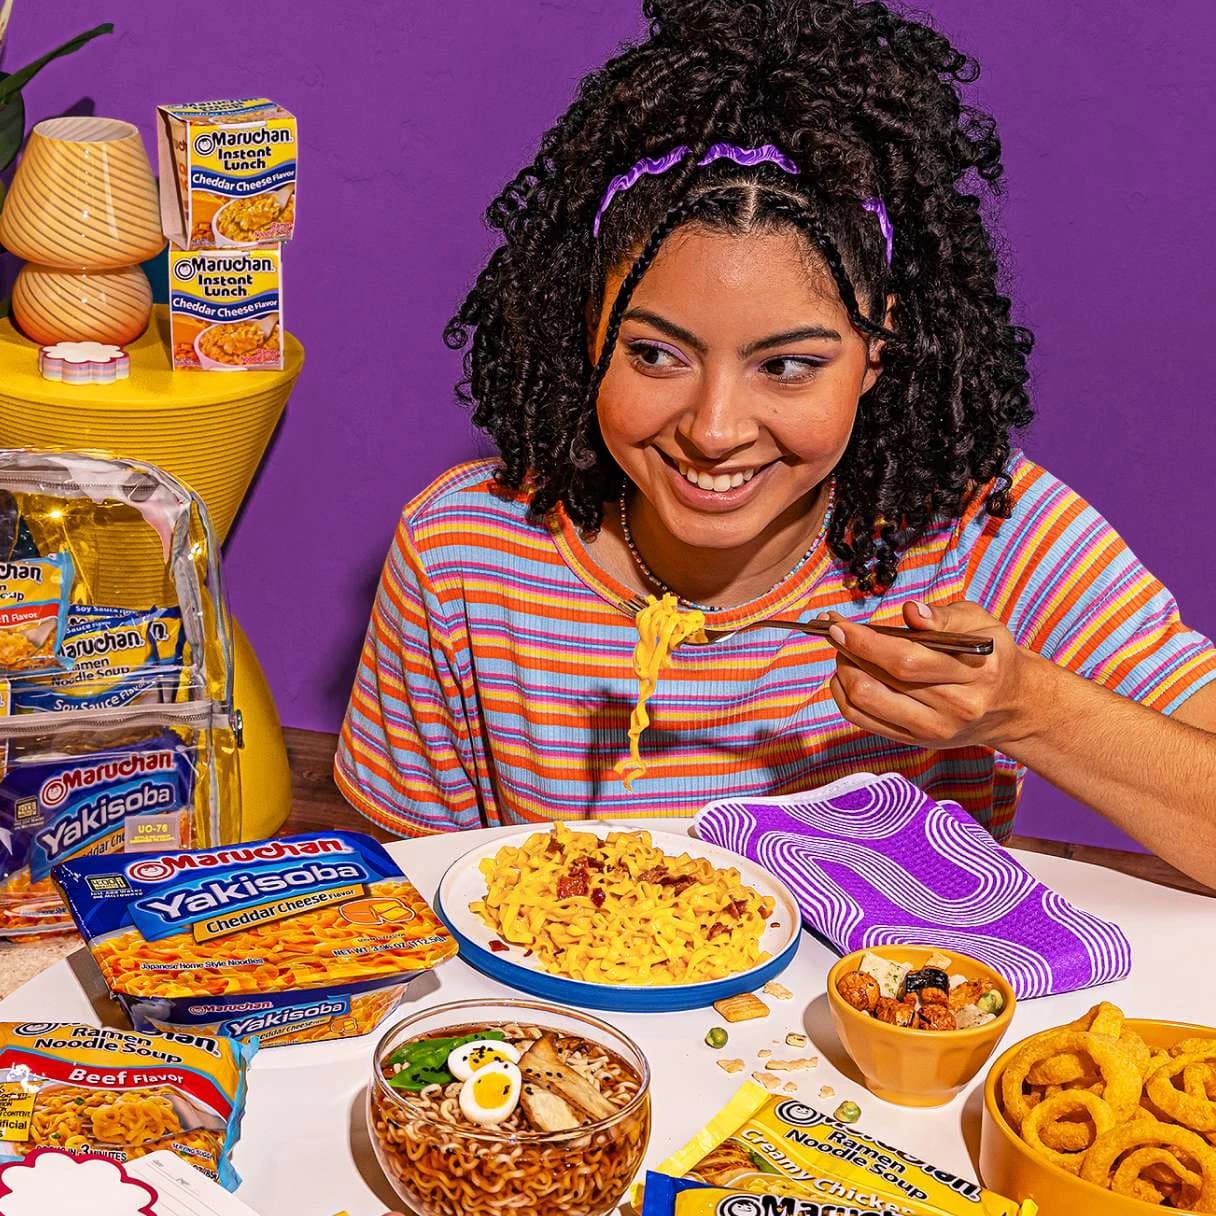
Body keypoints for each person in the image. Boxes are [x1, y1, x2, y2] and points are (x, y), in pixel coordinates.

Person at [336, 0, 1216, 886]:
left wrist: (1031, 713)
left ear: (878, 350)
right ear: (587, 331)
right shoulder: (464, 555)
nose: (714, 431)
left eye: (788, 366)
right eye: (653, 353)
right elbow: (402, 899)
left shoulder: (984, 534)